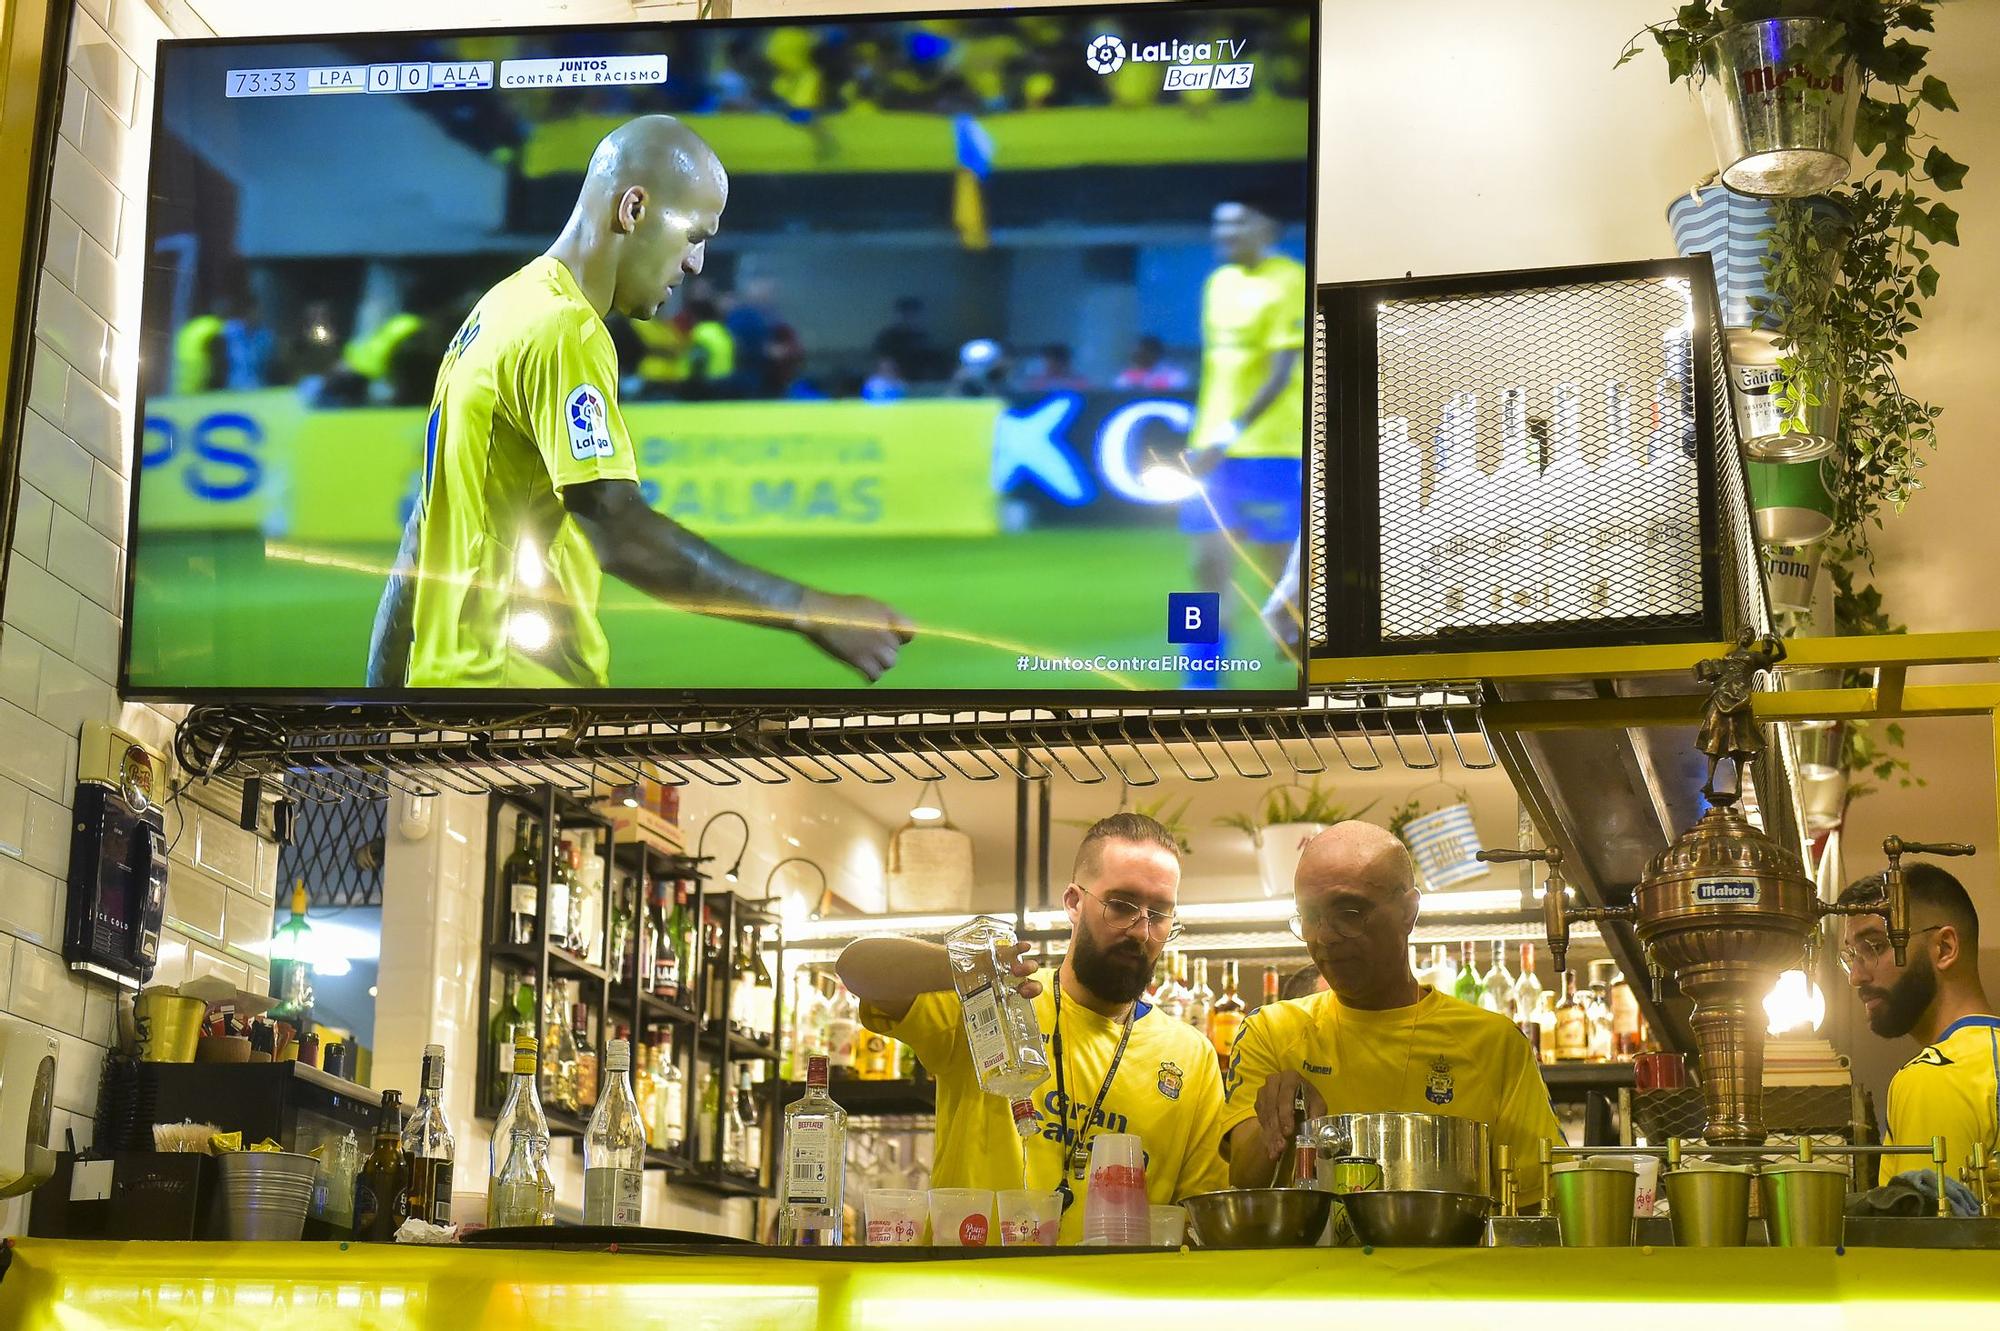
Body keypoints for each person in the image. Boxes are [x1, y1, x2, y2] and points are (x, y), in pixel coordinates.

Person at [366, 114, 911, 690]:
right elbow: (617, 528)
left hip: (456, 698)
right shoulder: (563, 330)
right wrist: (809, 609)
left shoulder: (498, 311)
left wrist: (374, 705)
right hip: (520, 709)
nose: (696, 263)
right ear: (634, 210)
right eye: (694, 236)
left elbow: (421, 537)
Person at [838, 813, 1230, 1243]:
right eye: (1120, 905)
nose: (1141, 930)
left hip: (1112, 1302)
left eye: (1159, 914)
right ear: (1074, 903)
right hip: (974, 1292)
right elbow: (857, 967)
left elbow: (1200, 1215)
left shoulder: (1191, 1056)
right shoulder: (994, 1001)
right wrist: (969, 966)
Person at [1221, 822, 1563, 1205]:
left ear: (1408, 912)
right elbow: (1243, 1178)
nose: (1324, 936)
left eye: (1348, 912)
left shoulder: (1494, 1043)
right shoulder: (1270, 1031)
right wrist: (1283, 1125)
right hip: (1310, 1265)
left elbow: (1538, 1200)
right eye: (1309, 915)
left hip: (1453, 1263)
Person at [1180, 197, 1308, 686]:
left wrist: (1227, 434)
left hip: (1271, 450)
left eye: (1237, 222)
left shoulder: (1289, 280)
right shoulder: (1217, 284)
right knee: (1204, 566)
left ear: (1267, 227)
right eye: (1219, 223)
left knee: (1282, 574)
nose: (1225, 232)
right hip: (1212, 452)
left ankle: (1308, 669)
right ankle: (1199, 679)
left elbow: (1281, 372)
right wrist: (1206, 434)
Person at [1838, 864, 1998, 1184]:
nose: (1856, 977)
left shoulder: (1935, 1076)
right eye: (1850, 956)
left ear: (1944, 948)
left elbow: (1928, 1232)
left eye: (1875, 947)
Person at [872, 296, 944, 382]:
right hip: (892, 383)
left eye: (914, 314)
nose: (910, 318)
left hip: (920, 384)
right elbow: (883, 363)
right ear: (899, 315)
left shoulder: (924, 338)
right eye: (907, 314)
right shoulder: (887, 338)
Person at [1114, 335, 1190, 392]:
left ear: (1155, 353)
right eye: (1137, 355)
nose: (1139, 358)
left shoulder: (1174, 374)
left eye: (1143, 354)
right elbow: (1118, 389)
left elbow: (1181, 388)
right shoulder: (1127, 375)